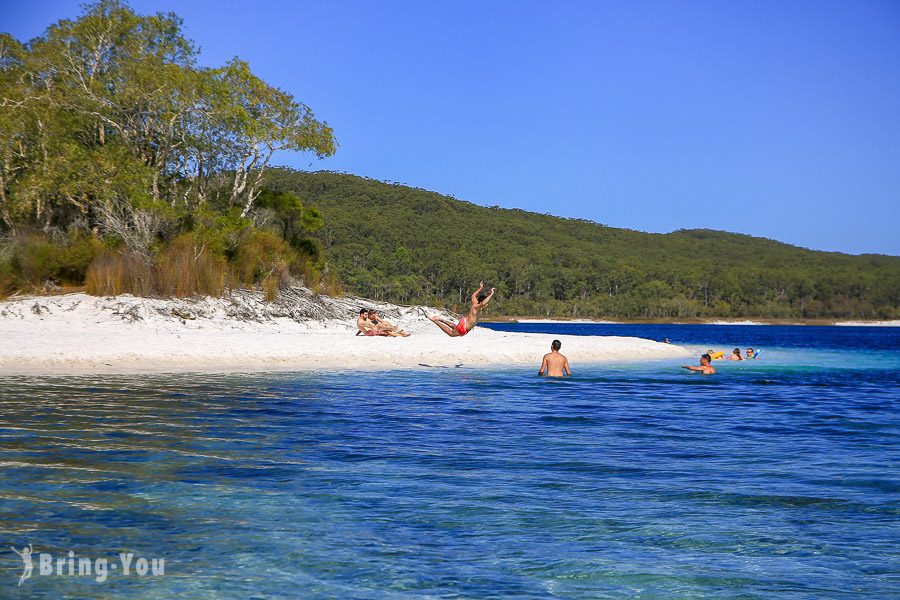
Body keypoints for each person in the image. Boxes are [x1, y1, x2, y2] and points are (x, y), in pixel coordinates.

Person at [430, 281, 495, 337]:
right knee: (451, 333)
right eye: (487, 303)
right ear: (481, 302)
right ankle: (435, 321)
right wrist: (491, 293)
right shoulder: (477, 306)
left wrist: (480, 288)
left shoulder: (475, 303)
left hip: (464, 322)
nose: (487, 304)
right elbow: (483, 303)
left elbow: (473, 296)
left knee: (455, 328)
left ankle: (441, 319)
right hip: (465, 327)